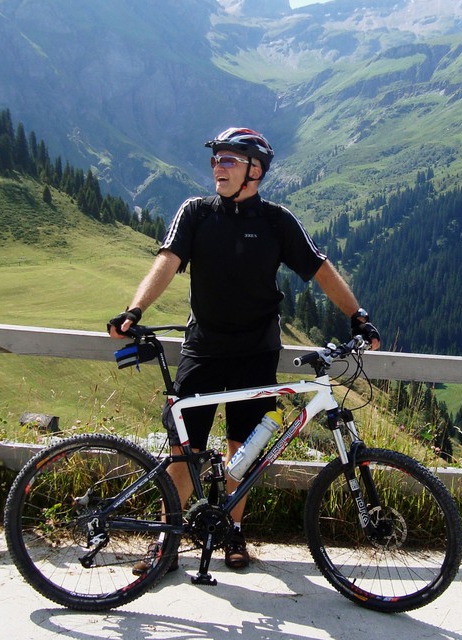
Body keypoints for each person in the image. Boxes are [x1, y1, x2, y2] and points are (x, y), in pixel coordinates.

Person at [108, 127, 380, 573]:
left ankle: (233, 532)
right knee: (185, 452)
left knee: (245, 448)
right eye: (216, 158)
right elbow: (167, 260)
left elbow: (320, 269)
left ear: (255, 171)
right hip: (203, 349)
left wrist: (358, 316)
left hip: (255, 352)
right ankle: (167, 542)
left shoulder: (276, 221)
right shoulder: (195, 213)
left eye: (229, 159)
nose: (218, 165)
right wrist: (134, 310)